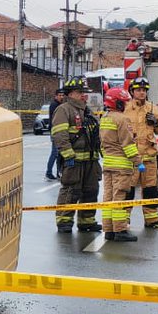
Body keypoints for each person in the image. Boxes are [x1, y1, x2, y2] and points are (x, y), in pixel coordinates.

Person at [50, 78, 102, 233]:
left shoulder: (87, 111)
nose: (84, 96)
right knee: (71, 191)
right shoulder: (64, 109)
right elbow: (59, 134)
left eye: (84, 93)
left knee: (91, 191)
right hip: (74, 161)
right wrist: (68, 155)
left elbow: (96, 133)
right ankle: (64, 221)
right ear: (71, 93)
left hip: (91, 161)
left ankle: (87, 220)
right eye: (81, 92)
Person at [121, 76, 158, 229]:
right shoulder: (125, 107)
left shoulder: (152, 107)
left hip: (149, 158)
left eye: (144, 90)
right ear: (132, 91)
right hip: (131, 159)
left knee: (151, 190)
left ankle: (152, 219)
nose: (141, 93)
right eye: (138, 90)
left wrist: (156, 122)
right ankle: (124, 220)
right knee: (128, 190)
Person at [98, 86, 142, 242]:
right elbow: (127, 144)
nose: (125, 106)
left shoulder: (104, 118)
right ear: (117, 103)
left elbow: (103, 143)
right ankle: (120, 230)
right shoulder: (122, 119)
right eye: (123, 103)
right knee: (119, 197)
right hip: (121, 167)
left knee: (108, 197)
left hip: (108, 164)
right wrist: (138, 162)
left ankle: (108, 229)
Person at [44, 89, 66, 180]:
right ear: (55, 96)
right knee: (55, 153)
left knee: (59, 153)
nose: (61, 97)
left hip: (58, 132)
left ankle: (58, 172)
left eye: (62, 95)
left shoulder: (60, 105)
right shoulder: (54, 105)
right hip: (55, 132)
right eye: (59, 95)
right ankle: (49, 172)